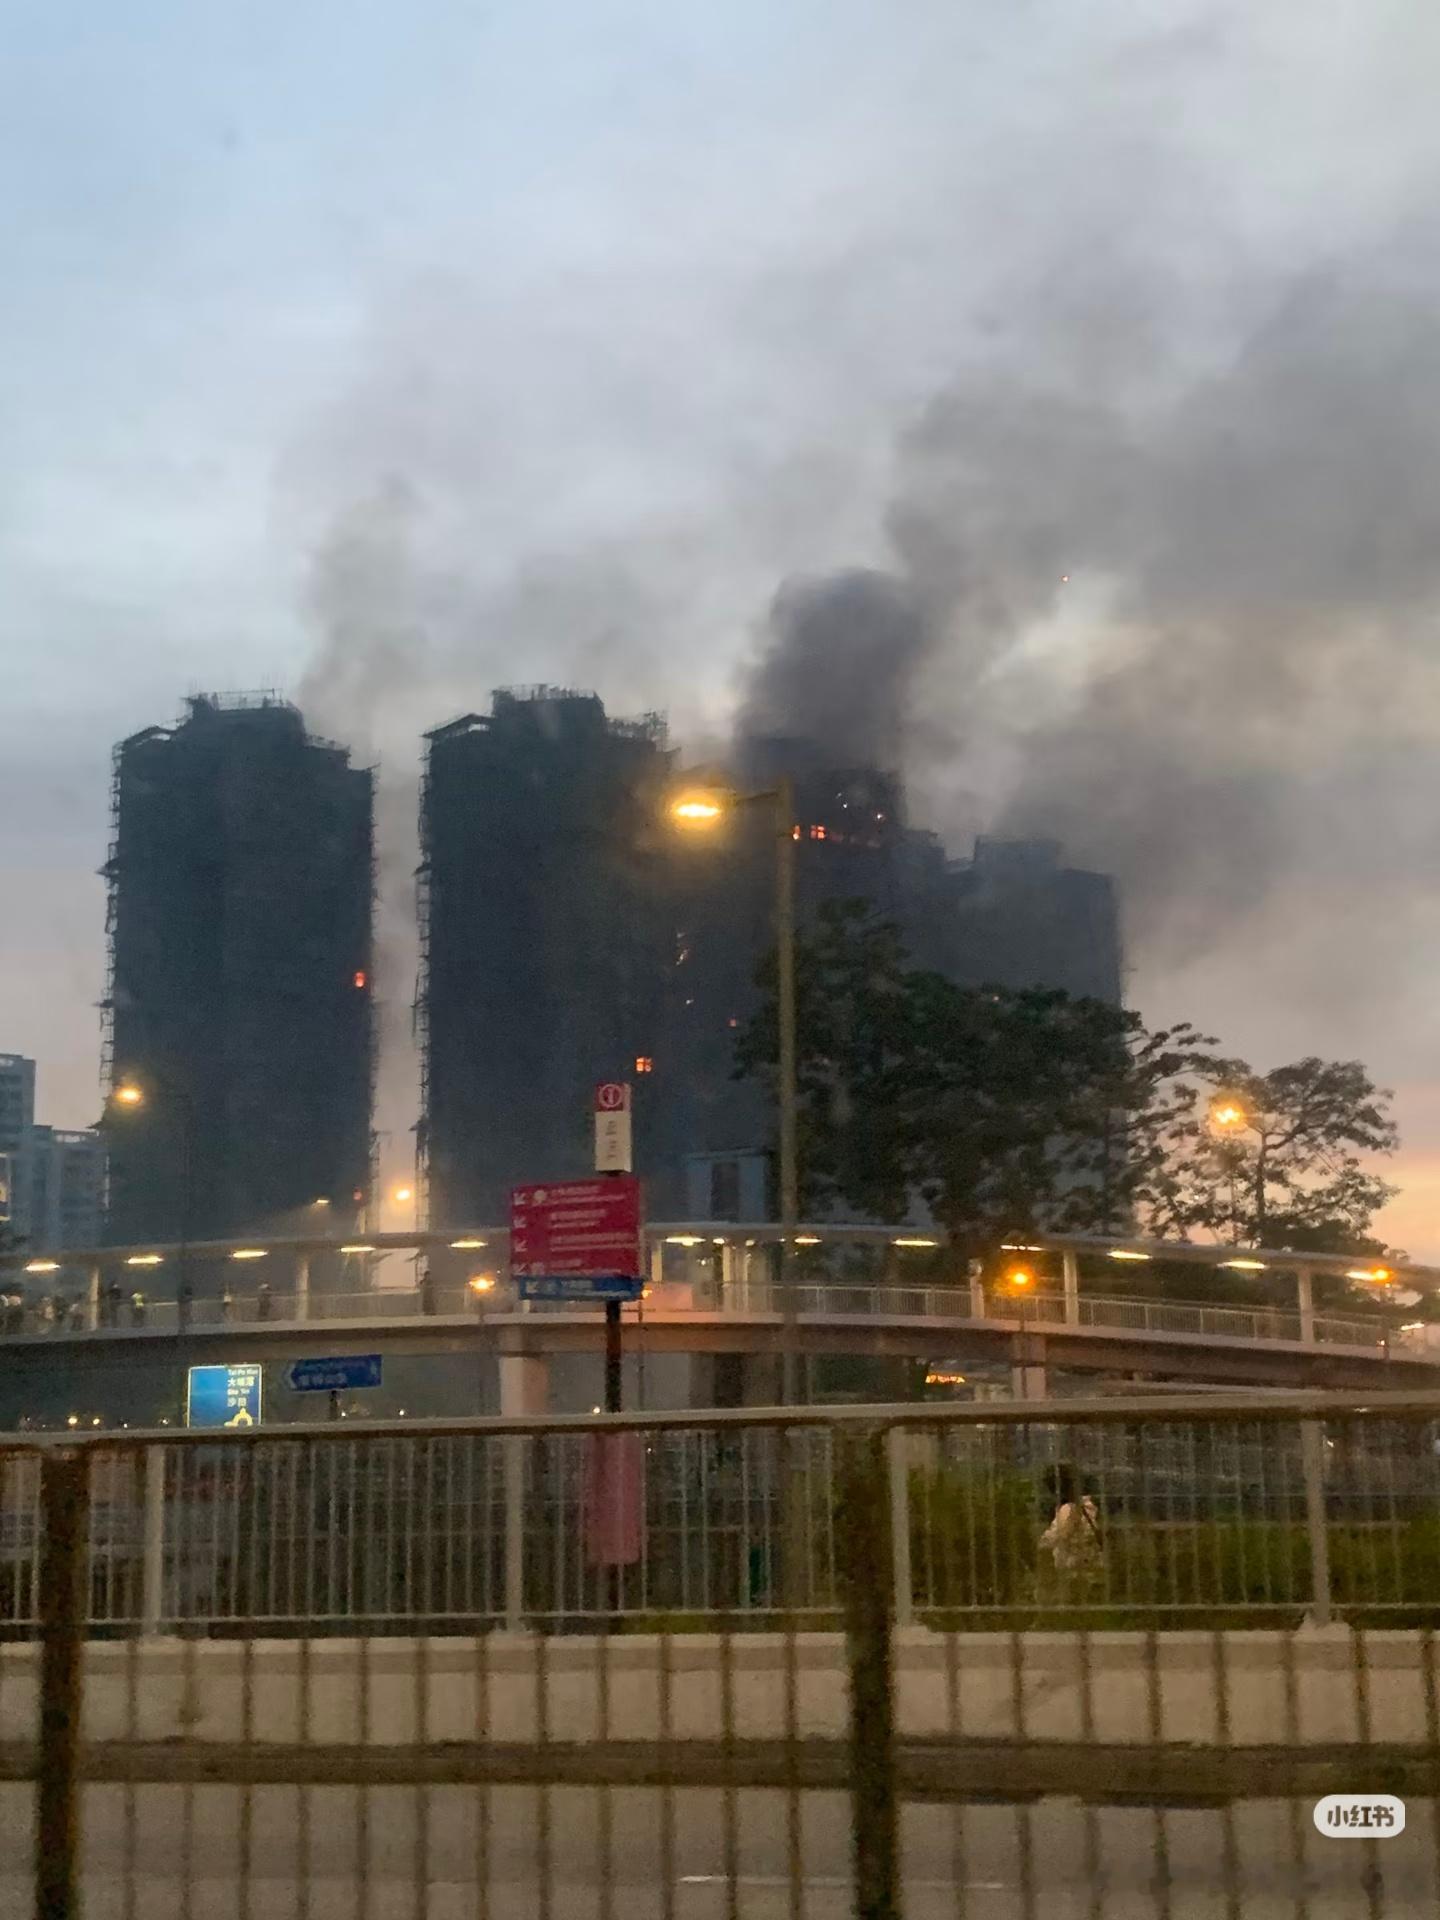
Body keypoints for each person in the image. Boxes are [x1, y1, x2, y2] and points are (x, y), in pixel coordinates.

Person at [1038, 1464, 1104, 1602]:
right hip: (1087, 1571)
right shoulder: (1088, 1506)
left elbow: (1060, 1538)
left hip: (1072, 1575)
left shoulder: (1069, 1510)